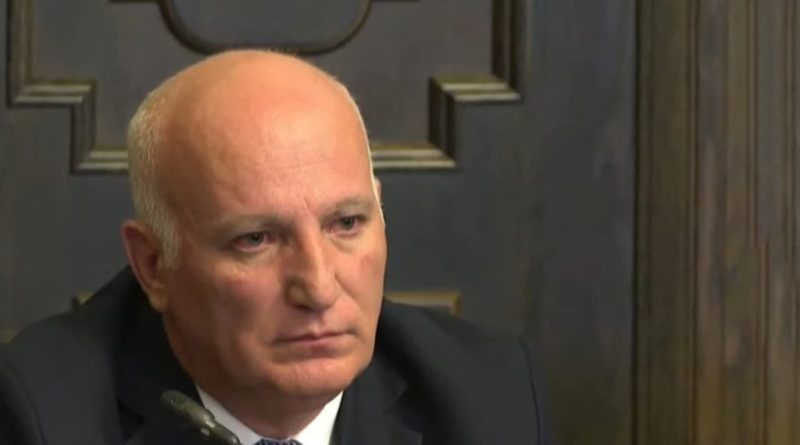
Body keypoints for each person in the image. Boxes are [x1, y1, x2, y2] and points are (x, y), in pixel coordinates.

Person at [0, 51, 548, 445]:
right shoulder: (40, 415)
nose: (319, 288)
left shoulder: (489, 394)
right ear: (154, 265)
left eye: (346, 223)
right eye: (255, 240)